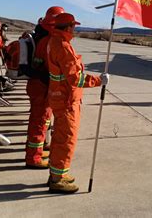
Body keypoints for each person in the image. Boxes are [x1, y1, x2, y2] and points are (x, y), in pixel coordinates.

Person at [46, 12, 109, 194]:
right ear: (67, 28)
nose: (75, 29)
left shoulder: (55, 41)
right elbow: (75, 78)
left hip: (61, 97)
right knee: (66, 139)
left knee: (60, 137)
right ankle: (57, 179)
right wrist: (99, 80)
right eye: (73, 26)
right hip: (66, 100)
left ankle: (58, 173)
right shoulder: (63, 46)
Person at [25, 6, 65, 169]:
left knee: (42, 120)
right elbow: (52, 67)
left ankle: (38, 149)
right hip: (42, 87)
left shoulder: (41, 35)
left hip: (38, 85)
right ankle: (33, 158)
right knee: (39, 122)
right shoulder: (48, 40)